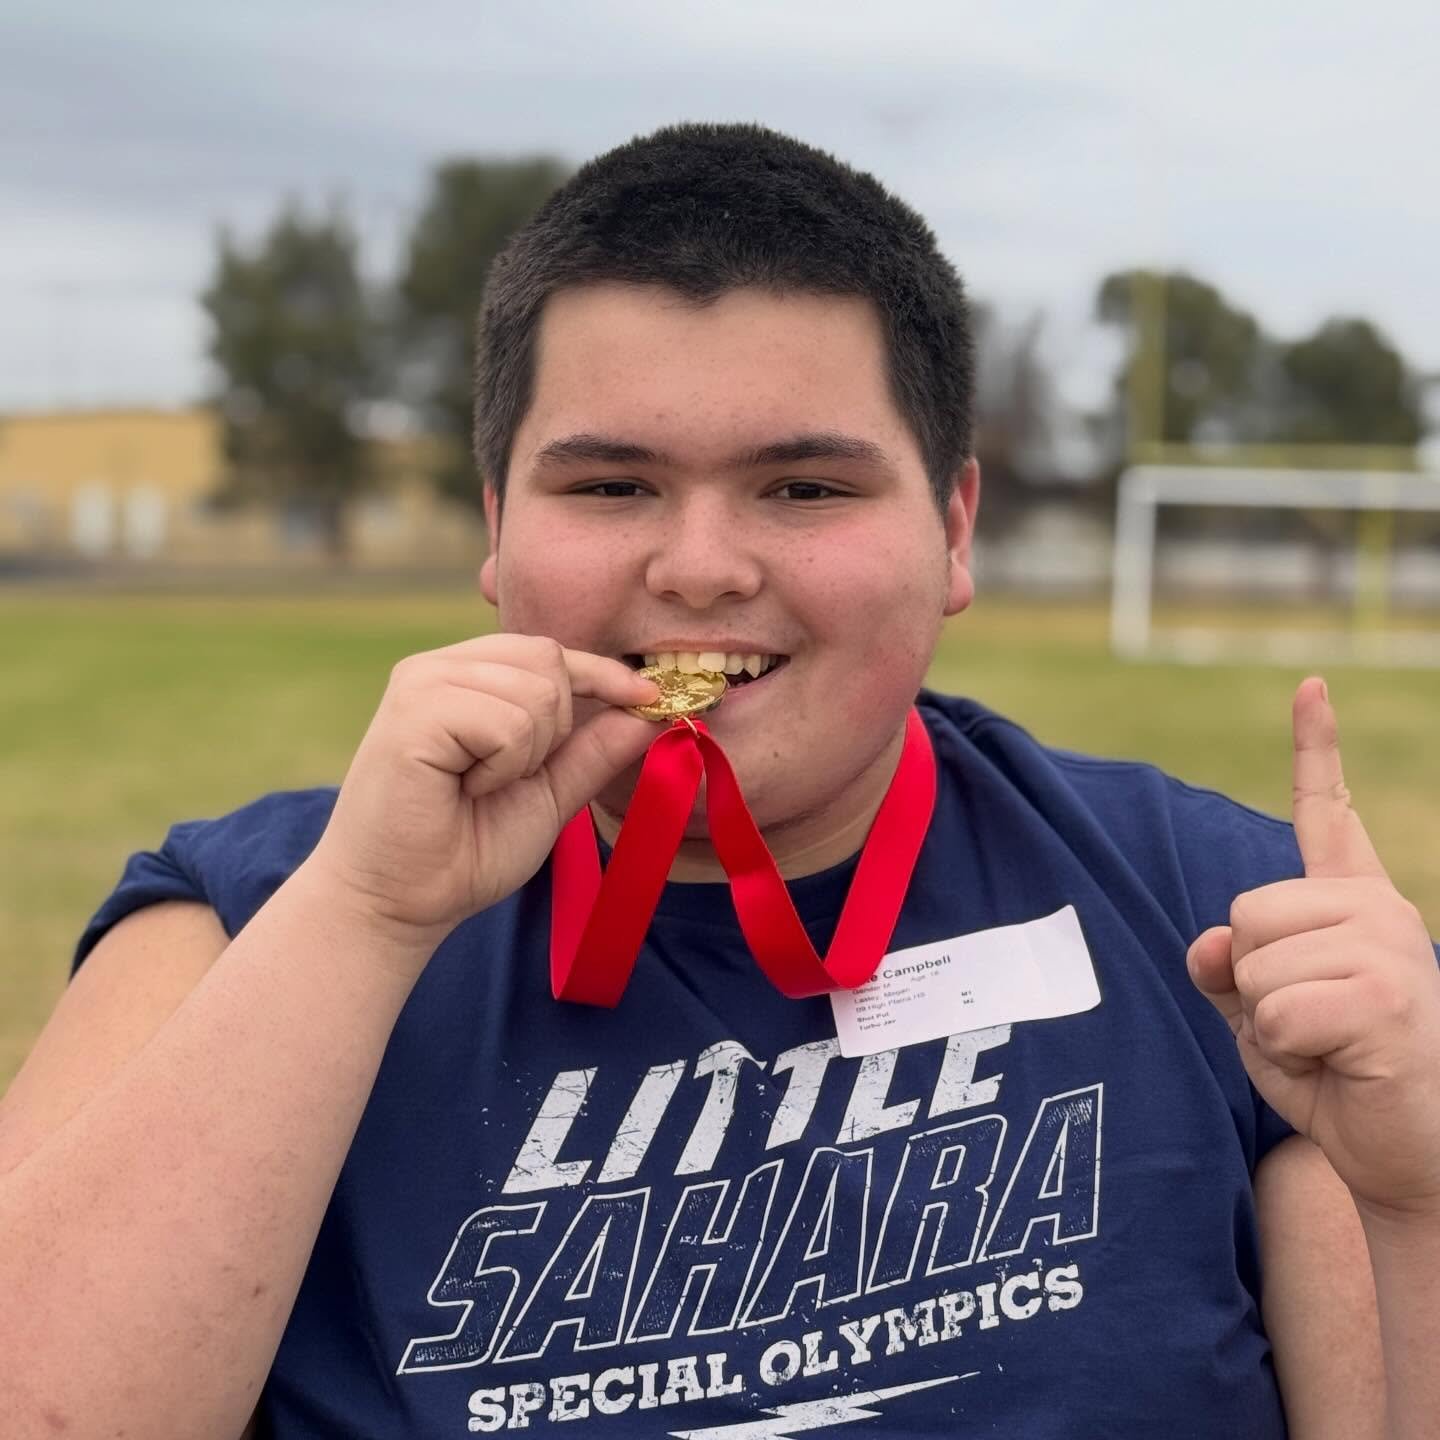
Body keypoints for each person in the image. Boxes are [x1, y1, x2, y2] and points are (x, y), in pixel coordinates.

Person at [2, 123, 1438, 1440]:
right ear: (498, 529)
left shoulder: (1230, 932)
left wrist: (1419, 1202)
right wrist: (365, 920)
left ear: (952, 530)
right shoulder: (238, 929)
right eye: (609, 487)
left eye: (805, 488)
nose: (699, 568)